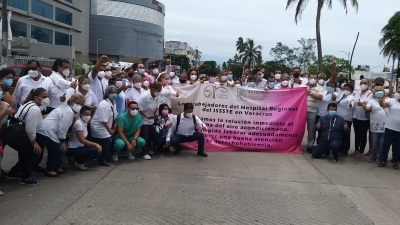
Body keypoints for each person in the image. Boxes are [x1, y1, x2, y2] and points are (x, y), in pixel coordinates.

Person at [37, 94, 84, 177]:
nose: (79, 105)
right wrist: (62, 141)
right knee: (61, 149)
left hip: (48, 131)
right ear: (71, 102)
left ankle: (56, 166)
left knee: (55, 149)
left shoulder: (66, 108)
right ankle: (50, 169)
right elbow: (63, 127)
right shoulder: (68, 111)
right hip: (46, 132)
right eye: (77, 103)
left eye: (81, 104)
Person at [7, 89, 47, 186]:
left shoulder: (28, 104)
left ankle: (13, 172)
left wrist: (41, 117)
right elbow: (30, 127)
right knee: (35, 153)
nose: (47, 99)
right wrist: (34, 142)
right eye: (45, 97)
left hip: (18, 134)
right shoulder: (34, 109)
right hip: (23, 135)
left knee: (25, 155)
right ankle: (25, 177)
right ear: (36, 98)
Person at [90, 86, 118, 166]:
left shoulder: (113, 102)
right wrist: (109, 130)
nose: (114, 94)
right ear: (107, 94)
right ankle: (102, 159)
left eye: (115, 92)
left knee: (109, 140)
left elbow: (115, 114)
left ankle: (105, 155)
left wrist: (115, 123)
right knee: (107, 140)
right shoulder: (103, 104)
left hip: (106, 125)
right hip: (98, 126)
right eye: (112, 92)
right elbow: (103, 120)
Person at [67, 106, 102, 170]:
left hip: (80, 146)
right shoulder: (78, 124)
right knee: (96, 150)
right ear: (80, 114)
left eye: (89, 114)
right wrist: (96, 144)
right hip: (74, 147)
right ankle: (79, 162)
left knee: (98, 149)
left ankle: (78, 159)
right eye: (86, 114)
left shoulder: (84, 122)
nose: (88, 116)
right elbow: (82, 140)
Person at [362, 86, 388, 162]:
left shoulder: (388, 100)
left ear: (383, 92)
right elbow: (368, 108)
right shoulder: (371, 101)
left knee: (382, 142)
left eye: (380, 90)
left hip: (385, 125)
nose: (379, 92)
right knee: (375, 141)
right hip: (374, 125)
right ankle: (373, 156)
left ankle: (381, 157)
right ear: (374, 93)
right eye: (377, 91)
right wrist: (364, 107)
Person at [299, 73, 323, 152]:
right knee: (299, 128)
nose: (313, 79)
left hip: (312, 111)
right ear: (308, 78)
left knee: (311, 129)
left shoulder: (319, 87)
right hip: (301, 111)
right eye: (311, 77)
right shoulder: (302, 85)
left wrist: (310, 92)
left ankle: (310, 145)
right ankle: (297, 144)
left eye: (314, 78)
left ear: (317, 79)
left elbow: (320, 98)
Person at [138, 82, 163, 159]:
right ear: (152, 89)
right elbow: (140, 108)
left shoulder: (157, 96)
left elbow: (157, 106)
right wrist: (146, 116)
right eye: (158, 90)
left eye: (160, 91)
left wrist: (157, 111)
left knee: (151, 135)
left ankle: (149, 149)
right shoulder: (144, 97)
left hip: (152, 118)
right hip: (143, 118)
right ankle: (144, 152)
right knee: (145, 135)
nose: (159, 92)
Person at [378, 87, 400, 169]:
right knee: (386, 144)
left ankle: (395, 161)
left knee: (397, 146)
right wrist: (381, 102)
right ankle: (383, 160)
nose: (397, 93)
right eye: (397, 92)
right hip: (390, 127)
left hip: (399, 130)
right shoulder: (391, 101)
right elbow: (384, 104)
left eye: (399, 92)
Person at [350, 78, 373, 157]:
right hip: (356, 116)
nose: (363, 84)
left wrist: (362, 103)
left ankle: (361, 151)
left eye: (365, 83)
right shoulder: (358, 92)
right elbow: (354, 100)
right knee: (357, 134)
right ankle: (356, 149)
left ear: (368, 84)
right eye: (362, 83)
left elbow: (368, 102)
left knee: (363, 135)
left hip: (364, 118)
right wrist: (351, 103)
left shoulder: (370, 93)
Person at [337, 83, 355, 156]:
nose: (346, 90)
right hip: (339, 117)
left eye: (348, 89)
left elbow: (351, 104)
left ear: (351, 90)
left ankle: (344, 150)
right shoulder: (342, 96)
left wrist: (350, 105)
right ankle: (339, 148)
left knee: (346, 135)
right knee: (339, 134)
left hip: (346, 119)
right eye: (345, 88)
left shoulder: (351, 97)